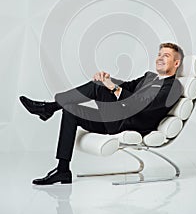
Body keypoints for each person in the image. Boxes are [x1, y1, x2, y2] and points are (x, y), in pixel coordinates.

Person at [19, 42, 184, 185]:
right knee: (71, 110)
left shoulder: (174, 87)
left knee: (98, 86)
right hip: (116, 119)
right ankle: (62, 170)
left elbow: (141, 104)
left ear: (176, 63)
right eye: (159, 54)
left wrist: (109, 86)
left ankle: (49, 108)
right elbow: (126, 87)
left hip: (132, 123)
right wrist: (108, 79)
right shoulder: (150, 77)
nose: (160, 58)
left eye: (166, 56)